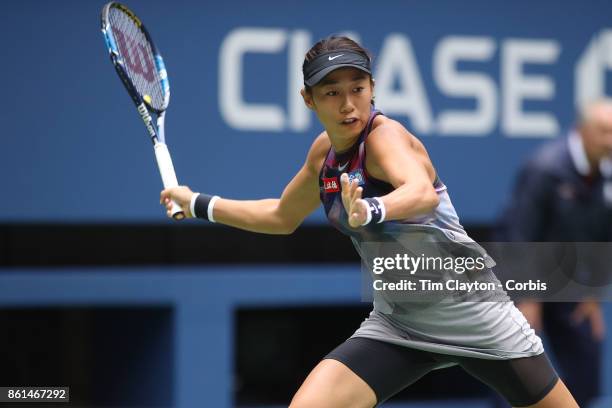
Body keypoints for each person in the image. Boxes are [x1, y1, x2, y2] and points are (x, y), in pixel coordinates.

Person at [160, 36, 578, 408]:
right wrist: (198, 203)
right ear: (309, 99)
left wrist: (373, 210)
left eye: (357, 89)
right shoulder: (323, 153)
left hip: (475, 315)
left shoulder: (384, 138)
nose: (347, 105)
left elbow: (419, 191)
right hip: (401, 322)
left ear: (372, 88)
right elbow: (281, 216)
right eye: (331, 93)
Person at [498, 99, 612, 407]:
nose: (610, 141)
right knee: (513, 369)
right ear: (582, 130)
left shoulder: (607, 173)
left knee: (586, 363)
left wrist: (592, 294)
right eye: (604, 132)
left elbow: (605, 237)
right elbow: (520, 236)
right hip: (523, 280)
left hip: (569, 283)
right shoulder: (544, 168)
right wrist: (528, 299)